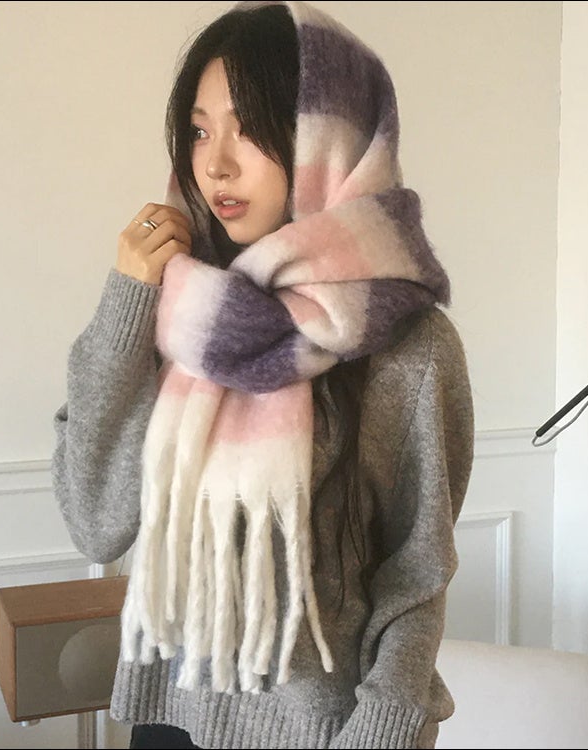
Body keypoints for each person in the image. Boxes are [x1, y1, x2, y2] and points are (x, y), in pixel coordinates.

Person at [52, 1, 474, 748]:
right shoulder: (176, 314)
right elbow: (96, 521)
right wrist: (126, 300)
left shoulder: (408, 348)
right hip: (170, 724)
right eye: (199, 130)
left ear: (330, 142)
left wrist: (378, 736)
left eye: (248, 127)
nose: (215, 163)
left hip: (324, 736)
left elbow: (414, 580)